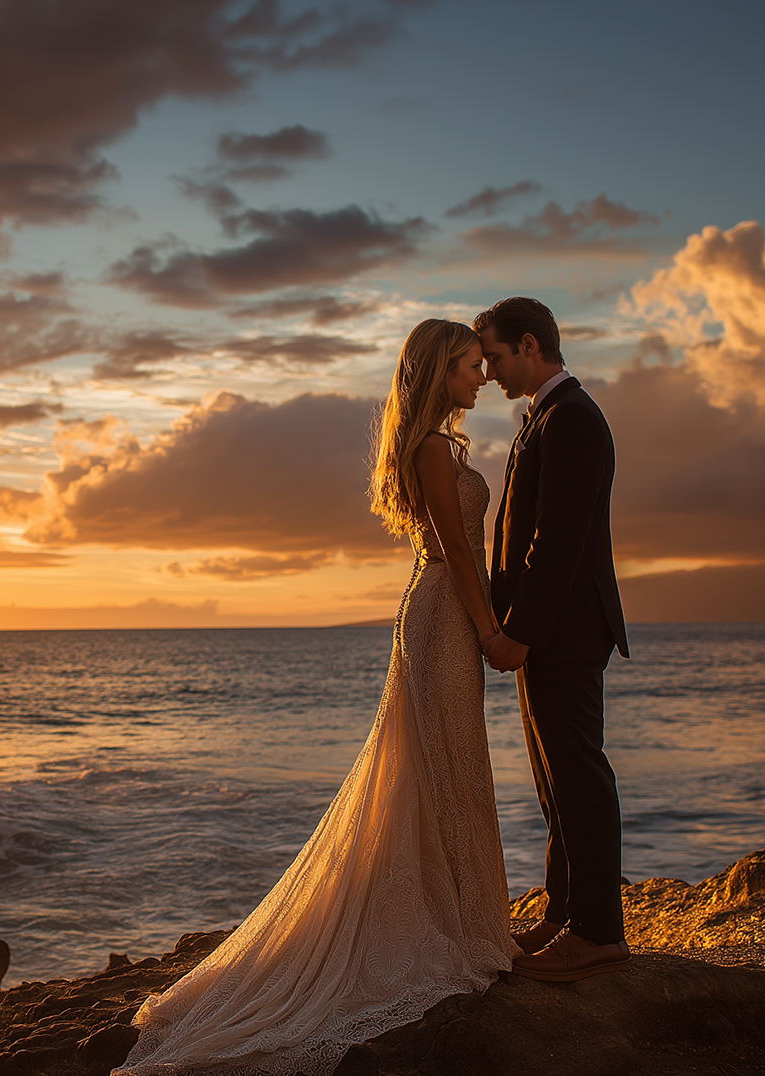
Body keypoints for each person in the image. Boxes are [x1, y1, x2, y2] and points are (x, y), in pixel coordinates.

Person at [117, 318, 517, 1076]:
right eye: (471, 365)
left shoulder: (434, 443)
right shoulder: (432, 450)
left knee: (445, 769)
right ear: (441, 372)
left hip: (435, 611)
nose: (482, 377)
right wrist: (492, 627)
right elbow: (458, 549)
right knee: (449, 768)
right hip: (444, 614)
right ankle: (468, 936)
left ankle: (470, 922)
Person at [474, 296, 632, 982]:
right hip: (553, 632)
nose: (488, 372)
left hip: (563, 631)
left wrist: (520, 634)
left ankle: (597, 932)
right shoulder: (548, 416)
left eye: (496, 356)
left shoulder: (572, 420)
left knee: (578, 777)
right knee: (553, 782)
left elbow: (557, 545)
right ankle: (566, 915)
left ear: (531, 346)